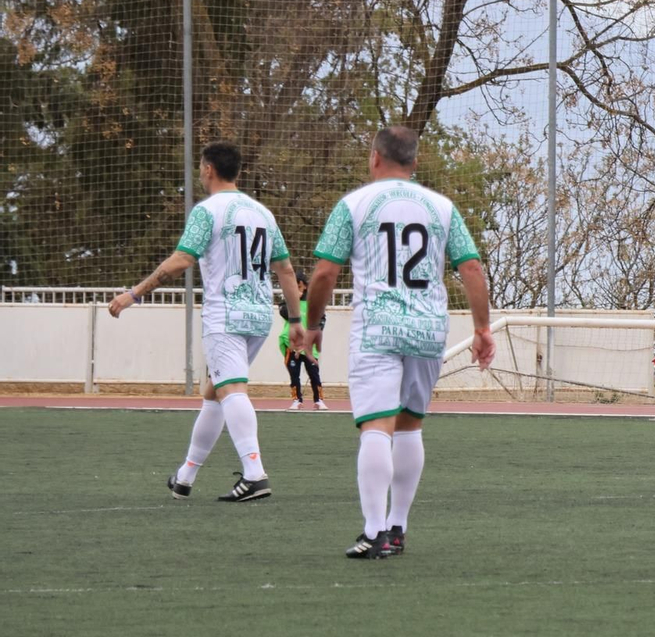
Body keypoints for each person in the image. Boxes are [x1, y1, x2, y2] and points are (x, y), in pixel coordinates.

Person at [305, 126, 496, 560]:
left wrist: (313, 322)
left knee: (376, 425)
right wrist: (483, 329)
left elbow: (323, 274)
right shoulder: (442, 207)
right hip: (428, 328)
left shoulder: (353, 205)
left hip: (378, 328)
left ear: (375, 157)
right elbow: (471, 269)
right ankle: (398, 528)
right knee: (410, 425)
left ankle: (373, 531)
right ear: (414, 162)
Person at [109, 141, 302, 502]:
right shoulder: (263, 213)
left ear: (208, 169)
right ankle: (184, 477)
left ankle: (255, 473)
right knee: (214, 393)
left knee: (231, 390)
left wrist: (134, 294)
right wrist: (294, 319)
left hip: (225, 316)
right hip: (259, 316)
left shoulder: (207, 211)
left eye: (200, 166)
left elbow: (182, 259)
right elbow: (286, 269)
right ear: (238, 172)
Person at [280, 270, 328, 411]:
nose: (296, 289)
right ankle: (296, 400)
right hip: (292, 345)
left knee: (314, 374)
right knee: (294, 375)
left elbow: (321, 320)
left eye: (299, 286)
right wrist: (293, 300)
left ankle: (319, 400)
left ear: (305, 286)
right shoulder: (288, 300)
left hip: (309, 347)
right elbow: (283, 312)